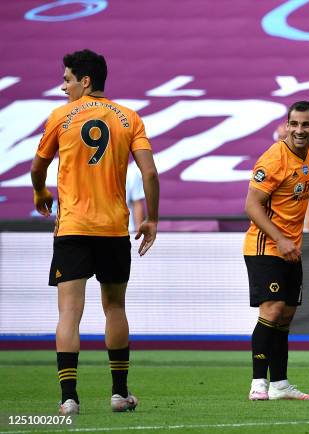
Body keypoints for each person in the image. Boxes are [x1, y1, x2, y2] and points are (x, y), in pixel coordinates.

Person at [31, 49, 159, 415]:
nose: (63, 87)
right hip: (113, 229)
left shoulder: (60, 117)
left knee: (69, 313)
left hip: (72, 227)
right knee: (115, 307)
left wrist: (41, 193)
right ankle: (119, 394)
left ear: (85, 81)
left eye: (67, 80)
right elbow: (149, 173)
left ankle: (68, 397)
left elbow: (38, 166)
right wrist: (152, 218)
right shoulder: (129, 117)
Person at [244, 101, 309, 401]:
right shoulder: (274, 157)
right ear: (287, 125)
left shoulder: (307, 154)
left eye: (306, 125)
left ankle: (279, 384)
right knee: (273, 309)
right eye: (295, 124)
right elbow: (251, 205)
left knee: (287, 315)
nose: (300, 130)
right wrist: (280, 239)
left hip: (291, 248)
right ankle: (258, 383)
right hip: (266, 246)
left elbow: (302, 176)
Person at [126, 164, 145, 232]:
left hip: (126, 229)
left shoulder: (131, 172)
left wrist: (138, 229)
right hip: (95, 229)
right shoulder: (92, 171)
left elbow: (137, 204)